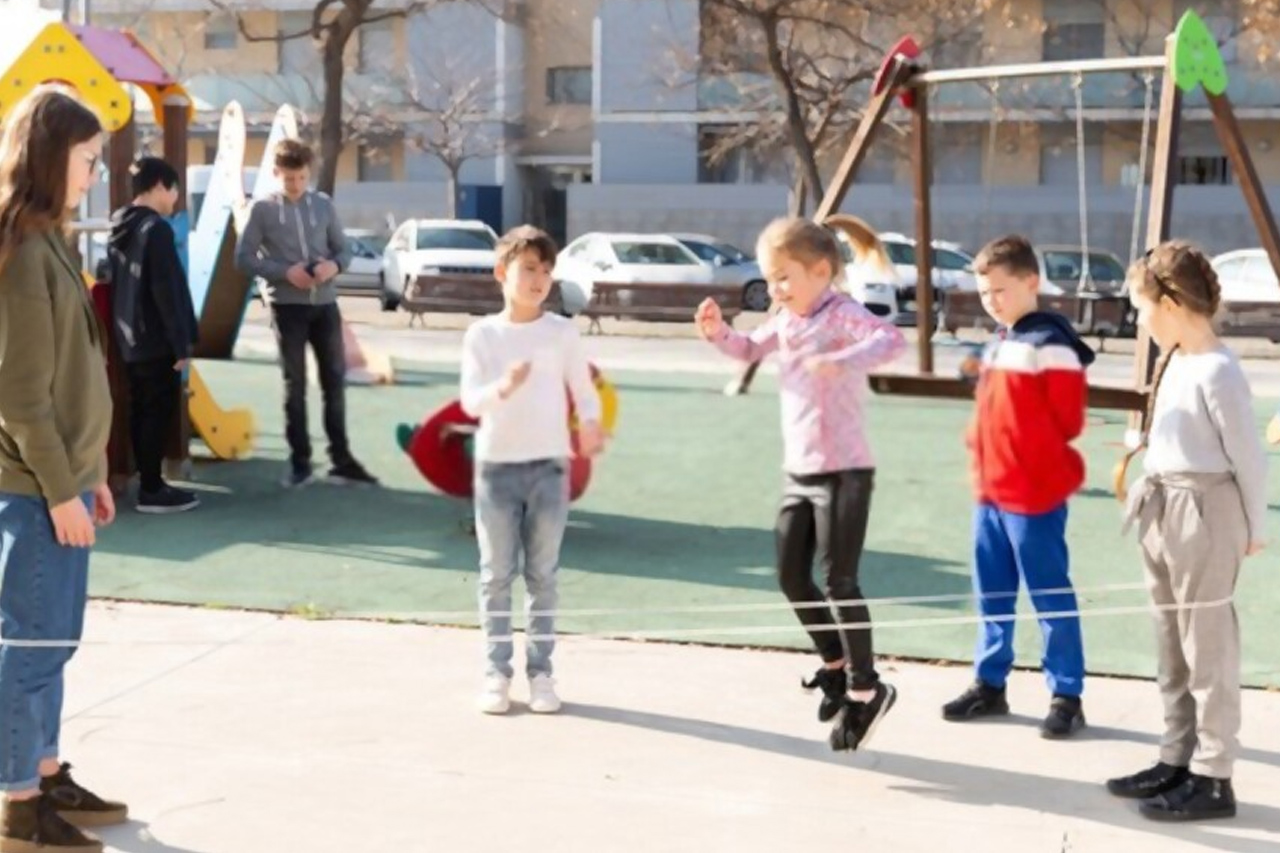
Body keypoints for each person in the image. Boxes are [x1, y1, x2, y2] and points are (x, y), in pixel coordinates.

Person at [696, 215, 906, 752]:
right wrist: (718, 332)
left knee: (840, 581)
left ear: (821, 271)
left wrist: (841, 359)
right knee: (792, 576)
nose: (776, 290)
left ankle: (866, 688)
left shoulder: (841, 315)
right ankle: (835, 665)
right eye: (770, 280)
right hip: (801, 471)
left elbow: (889, 340)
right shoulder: (786, 321)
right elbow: (748, 349)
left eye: (784, 277)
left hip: (845, 472)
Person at [0, 84, 129, 853]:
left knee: (56, 644)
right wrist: (59, 490)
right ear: (52, 158)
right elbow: (19, 399)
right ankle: (19, 808)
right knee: (30, 648)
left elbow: (67, 382)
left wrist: (92, 475)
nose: (95, 172)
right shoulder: (21, 255)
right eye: (87, 158)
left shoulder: (51, 241)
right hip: (33, 493)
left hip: (65, 484)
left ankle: (44, 773)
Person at [1106, 242, 1267, 822]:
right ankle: (1177, 757)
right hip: (1162, 504)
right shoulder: (1173, 359)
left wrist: (1253, 525)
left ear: (1170, 304)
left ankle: (1214, 775)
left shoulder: (1219, 369)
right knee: (1170, 644)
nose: (1139, 320)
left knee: (1208, 650)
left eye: (1141, 308)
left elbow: (1247, 457)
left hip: (1206, 512)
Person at [942, 234, 1094, 739]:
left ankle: (1067, 694)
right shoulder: (1000, 341)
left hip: (1034, 493)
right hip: (991, 490)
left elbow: (1068, 420)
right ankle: (990, 683)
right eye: (985, 293)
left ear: (1032, 282)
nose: (992, 301)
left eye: (1001, 291)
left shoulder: (1051, 345)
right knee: (993, 593)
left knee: (1050, 594)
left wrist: (1022, 449)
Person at [460, 225, 603, 716]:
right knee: (496, 575)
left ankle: (541, 673)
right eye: (528, 269)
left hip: (549, 467)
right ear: (502, 273)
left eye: (546, 270)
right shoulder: (482, 334)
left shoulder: (562, 330)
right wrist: (504, 385)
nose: (539, 278)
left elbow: (582, 388)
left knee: (543, 573)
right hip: (497, 468)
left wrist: (590, 424)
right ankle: (495, 673)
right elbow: (470, 401)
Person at [235, 139, 377, 488]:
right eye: (288, 179)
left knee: (334, 383)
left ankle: (341, 460)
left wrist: (332, 266)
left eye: (300, 178)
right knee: (294, 385)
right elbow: (243, 259)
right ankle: (300, 462)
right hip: (287, 309)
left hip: (325, 306)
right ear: (275, 174)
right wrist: (285, 273)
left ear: (308, 173)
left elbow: (343, 251)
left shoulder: (323, 206)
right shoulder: (262, 210)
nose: (295, 185)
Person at [107, 157, 200, 514]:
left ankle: (147, 480)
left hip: (129, 333)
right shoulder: (156, 230)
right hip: (156, 336)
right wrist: (181, 342)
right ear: (160, 185)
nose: (175, 199)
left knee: (141, 408)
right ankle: (152, 487)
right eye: (174, 190)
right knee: (157, 409)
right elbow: (165, 289)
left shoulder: (120, 225)